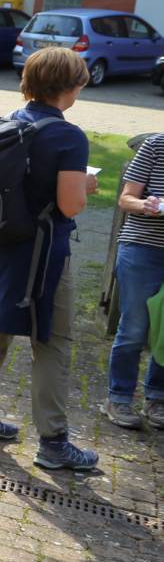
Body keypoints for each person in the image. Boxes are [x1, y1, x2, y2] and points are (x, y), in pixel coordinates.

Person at [0, 46, 101, 471]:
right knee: (52, 341)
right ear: (69, 86)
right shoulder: (68, 136)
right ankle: (54, 442)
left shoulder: (11, 123)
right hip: (42, 253)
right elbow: (69, 205)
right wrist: (86, 186)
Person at [104, 132, 164, 429]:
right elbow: (126, 199)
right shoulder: (156, 146)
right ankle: (119, 398)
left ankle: (157, 398)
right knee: (135, 329)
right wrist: (146, 205)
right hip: (142, 248)